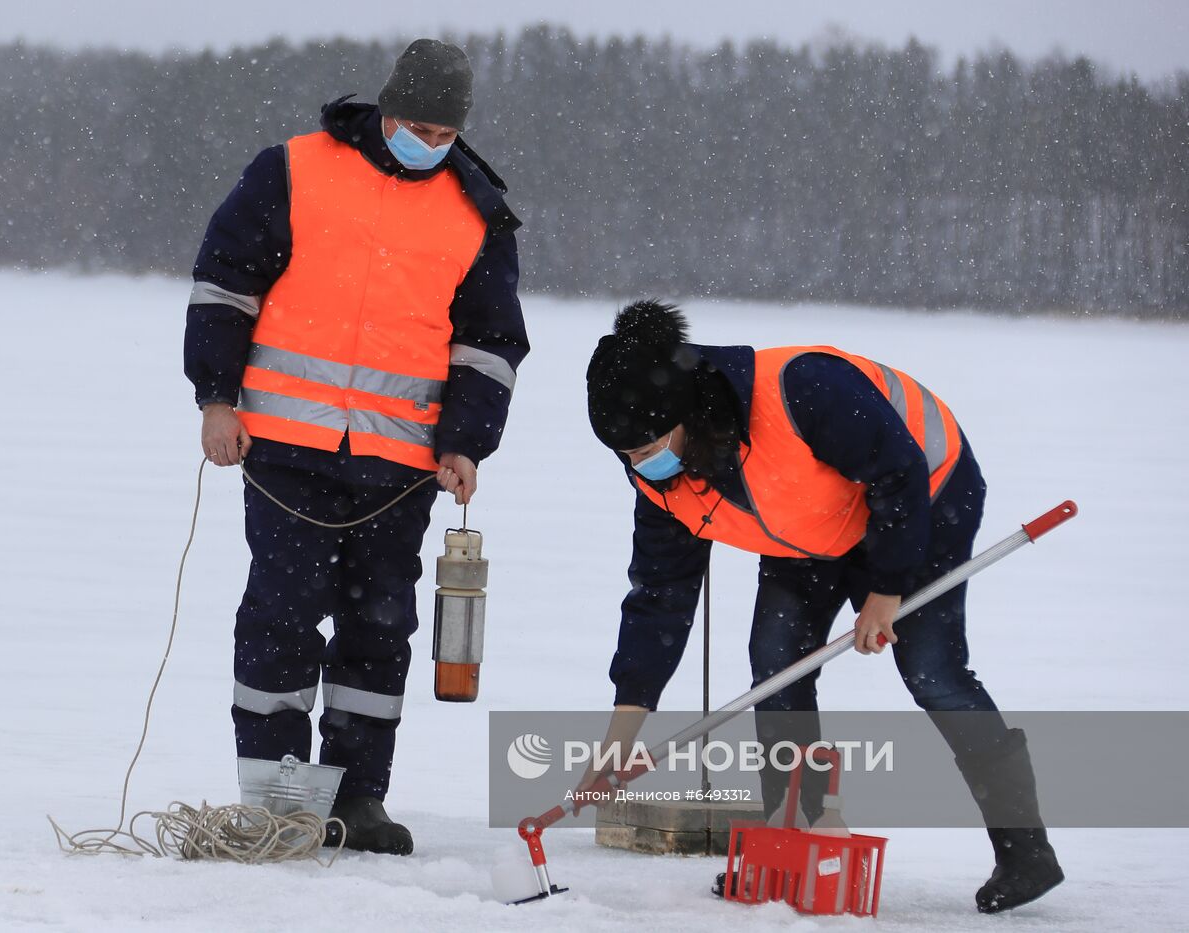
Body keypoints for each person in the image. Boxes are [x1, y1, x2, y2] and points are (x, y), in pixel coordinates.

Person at [581, 299, 1062, 913]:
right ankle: (798, 839)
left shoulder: (804, 388)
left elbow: (900, 473)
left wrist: (885, 594)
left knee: (932, 670)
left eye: (647, 446)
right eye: (625, 456)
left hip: (924, 499)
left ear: (685, 414)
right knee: (777, 661)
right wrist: (621, 734)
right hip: (812, 526)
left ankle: (1025, 851)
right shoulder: (662, 477)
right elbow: (658, 598)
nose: (640, 465)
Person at [183, 38, 528, 855]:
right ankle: (273, 797)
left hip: (399, 468)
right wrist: (216, 398)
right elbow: (224, 282)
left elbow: (489, 345)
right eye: (413, 125)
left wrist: (467, 445)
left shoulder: (479, 211)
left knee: (380, 628)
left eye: (443, 134)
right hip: (284, 452)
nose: (426, 143)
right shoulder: (294, 169)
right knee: (282, 616)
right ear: (384, 108)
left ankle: (355, 797)